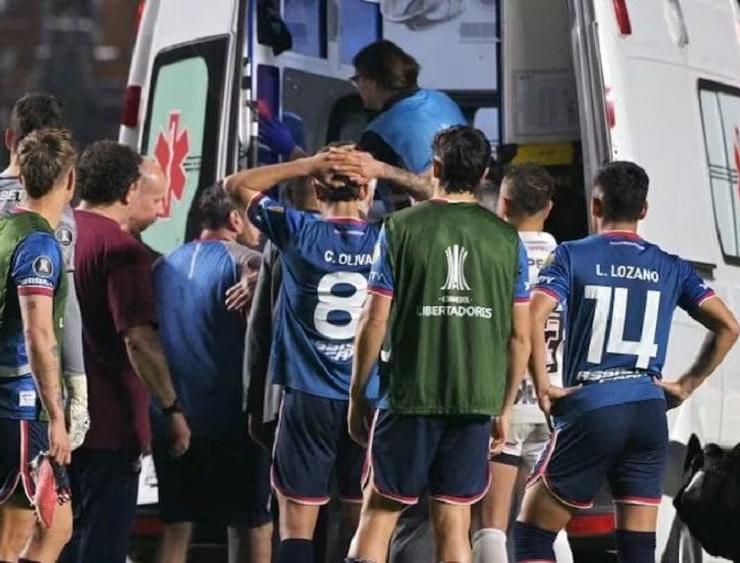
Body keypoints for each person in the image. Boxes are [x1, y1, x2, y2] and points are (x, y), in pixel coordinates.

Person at [513, 161, 740, 563]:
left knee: (532, 536)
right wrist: (686, 385)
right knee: (638, 551)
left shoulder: (571, 255)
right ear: (644, 210)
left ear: (595, 205)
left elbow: (533, 315)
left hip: (594, 405)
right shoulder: (671, 265)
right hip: (648, 410)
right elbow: (729, 326)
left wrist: (543, 385)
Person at [347, 125, 531, 563]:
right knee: (454, 521)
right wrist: (504, 407)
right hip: (475, 400)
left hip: (409, 395)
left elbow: (374, 321)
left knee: (379, 513)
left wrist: (357, 394)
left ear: (435, 168)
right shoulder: (507, 239)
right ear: (484, 174)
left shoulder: (399, 227)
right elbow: (520, 337)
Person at [0, 92, 89, 562]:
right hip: (19, 398)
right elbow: (40, 333)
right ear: (70, 179)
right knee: (11, 532)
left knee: (51, 524)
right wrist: (65, 407)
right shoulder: (41, 241)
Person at [226, 146, 381, 563]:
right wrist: (380, 169)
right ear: (367, 191)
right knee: (364, 525)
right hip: (366, 398)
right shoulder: (388, 236)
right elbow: (433, 197)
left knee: (296, 527)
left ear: (317, 189)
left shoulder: (295, 230)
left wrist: (308, 164)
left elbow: (235, 185)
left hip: (306, 399)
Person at [61, 141, 192, 563]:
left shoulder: (49, 234)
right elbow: (137, 338)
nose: (160, 210)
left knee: (57, 541)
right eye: (155, 199)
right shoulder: (121, 250)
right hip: (107, 425)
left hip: (51, 422)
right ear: (129, 191)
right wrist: (171, 408)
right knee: (102, 546)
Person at [151, 184, 269, 563]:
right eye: (253, 218)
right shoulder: (247, 262)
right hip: (233, 419)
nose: (259, 228)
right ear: (235, 219)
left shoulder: (162, 265)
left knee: (176, 526)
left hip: (175, 418)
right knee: (253, 524)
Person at [472, 163, 572, 563]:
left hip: (502, 402)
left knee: (490, 524)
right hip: (554, 402)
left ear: (502, 205)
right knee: (548, 525)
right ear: (548, 208)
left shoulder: (490, 255)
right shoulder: (568, 258)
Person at [351, 39, 468, 212]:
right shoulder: (443, 100)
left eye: (357, 79)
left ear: (372, 82)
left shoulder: (379, 132)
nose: (357, 87)